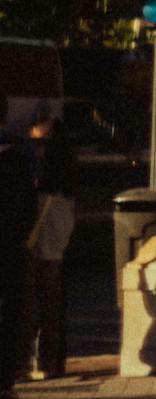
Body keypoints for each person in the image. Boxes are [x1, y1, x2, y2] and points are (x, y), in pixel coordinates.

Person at [25, 110, 74, 379]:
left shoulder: (39, 189)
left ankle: (32, 362)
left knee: (31, 307)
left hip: (36, 250)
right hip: (55, 253)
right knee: (52, 308)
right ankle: (49, 363)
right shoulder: (66, 193)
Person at [0, 101, 36, 399]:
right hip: (10, 243)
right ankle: (5, 379)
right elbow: (28, 205)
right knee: (10, 310)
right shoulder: (18, 154)